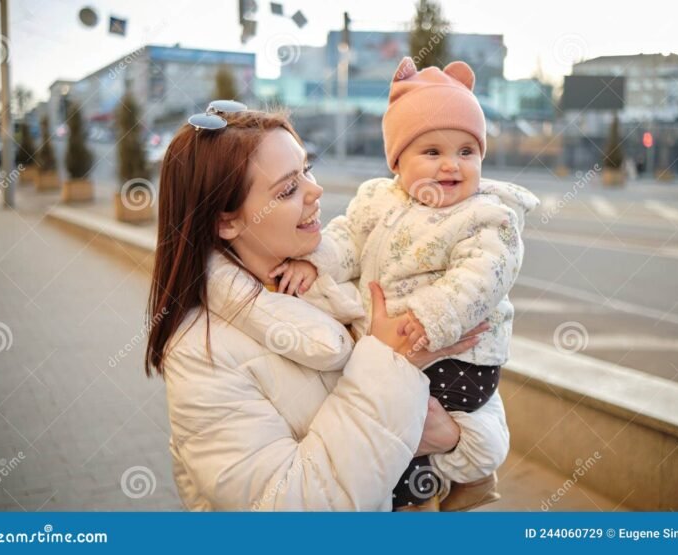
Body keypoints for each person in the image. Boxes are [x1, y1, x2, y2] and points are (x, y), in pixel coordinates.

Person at [143, 101, 510, 511]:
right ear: (226, 221)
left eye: (307, 169)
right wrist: (390, 365)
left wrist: (455, 439)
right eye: (287, 189)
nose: (315, 191)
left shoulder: (338, 275)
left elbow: (475, 392)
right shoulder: (201, 353)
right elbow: (284, 507)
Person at [272, 58, 539, 510]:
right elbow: (346, 239)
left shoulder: (486, 216)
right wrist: (315, 264)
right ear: (397, 162)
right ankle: (439, 488)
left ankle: (419, 498)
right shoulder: (379, 200)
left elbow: (484, 276)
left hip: (457, 358)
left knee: (396, 433)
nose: (451, 165)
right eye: (432, 152)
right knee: (386, 425)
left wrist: (432, 316)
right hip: (399, 350)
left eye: (467, 152)